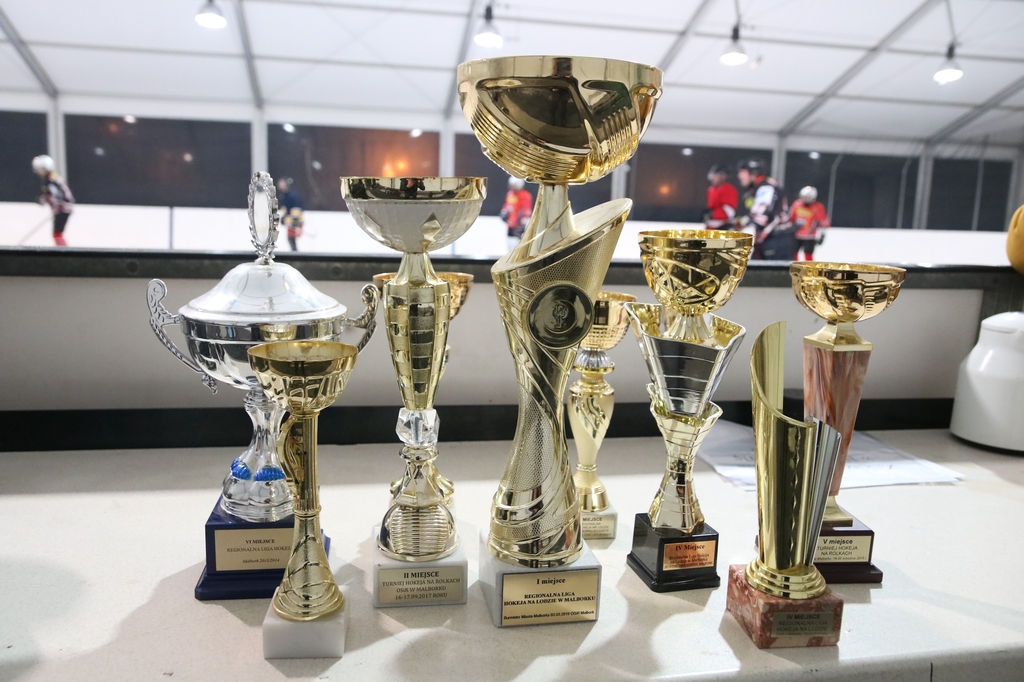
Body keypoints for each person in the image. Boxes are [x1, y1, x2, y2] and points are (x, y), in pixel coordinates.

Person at [737, 158, 791, 259]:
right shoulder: (758, 188)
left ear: (753, 173)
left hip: (776, 240)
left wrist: (740, 223)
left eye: (742, 172)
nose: (739, 175)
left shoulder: (765, 188)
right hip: (771, 239)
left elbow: (760, 219)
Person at [32, 155, 74, 247]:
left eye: (39, 169)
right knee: (57, 233)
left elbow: (56, 195)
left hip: (62, 209)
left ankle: (64, 251)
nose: (38, 171)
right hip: (62, 209)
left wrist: (47, 201)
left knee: (57, 234)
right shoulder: (52, 177)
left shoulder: (51, 179)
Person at [789, 186, 830, 261]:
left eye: (807, 197)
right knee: (793, 254)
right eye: (804, 197)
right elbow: (790, 218)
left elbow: (823, 222)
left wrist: (822, 235)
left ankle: (808, 268)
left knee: (808, 255)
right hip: (796, 235)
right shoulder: (796, 204)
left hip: (810, 236)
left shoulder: (817, 207)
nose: (805, 199)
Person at [499, 176, 533, 249]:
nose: (512, 187)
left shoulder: (525, 196)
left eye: (514, 185)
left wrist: (523, 223)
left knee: (518, 247)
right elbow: (507, 206)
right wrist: (504, 213)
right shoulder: (510, 194)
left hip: (519, 227)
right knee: (509, 245)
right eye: (511, 185)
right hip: (510, 225)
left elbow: (526, 210)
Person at [704, 164, 738, 229]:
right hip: (711, 227)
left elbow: (730, 212)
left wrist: (713, 214)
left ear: (722, 176)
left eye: (715, 175)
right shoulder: (711, 189)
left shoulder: (728, 189)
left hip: (723, 227)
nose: (712, 178)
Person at [276, 177, 304, 251]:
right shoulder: (282, 196)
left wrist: (295, 221)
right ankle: (294, 252)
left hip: (296, 221)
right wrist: (284, 218)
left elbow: (296, 210)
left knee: (292, 238)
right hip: (290, 221)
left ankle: (295, 253)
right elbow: (285, 210)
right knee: (290, 238)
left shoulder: (293, 196)